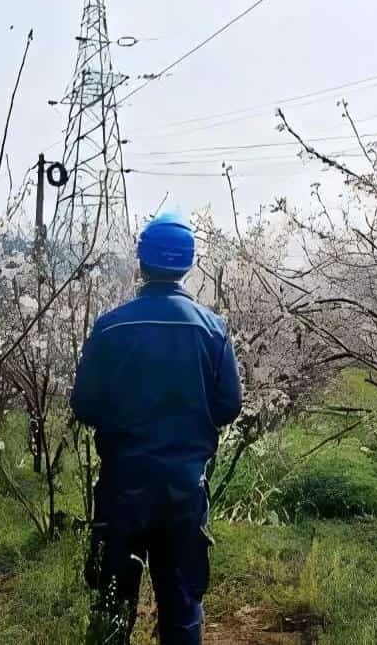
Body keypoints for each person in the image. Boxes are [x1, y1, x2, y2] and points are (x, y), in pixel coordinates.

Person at [71, 211, 242, 645]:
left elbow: (84, 405)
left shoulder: (111, 328)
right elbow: (228, 407)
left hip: (122, 489)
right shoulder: (212, 329)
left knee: (112, 607)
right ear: (189, 263)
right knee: (182, 609)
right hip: (184, 491)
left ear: (141, 261)